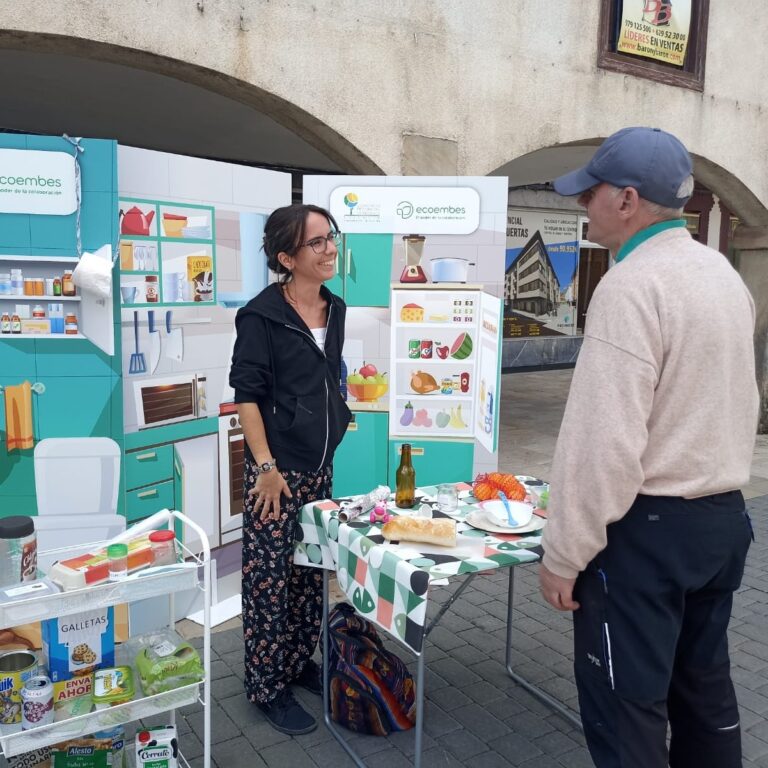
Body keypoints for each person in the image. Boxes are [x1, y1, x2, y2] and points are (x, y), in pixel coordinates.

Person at [539, 127, 758, 768]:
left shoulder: (631, 286)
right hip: (721, 519)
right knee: (704, 694)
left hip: (649, 534)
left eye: (592, 192)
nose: (585, 205)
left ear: (628, 200)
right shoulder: (721, 275)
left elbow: (602, 442)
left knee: (627, 708)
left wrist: (564, 553)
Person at [229, 203, 351, 735]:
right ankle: (266, 688)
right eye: (317, 242)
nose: (330, 249)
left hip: (318, 468)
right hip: (274, 476)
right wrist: (266, 468)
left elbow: (325, 375)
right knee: (268, 584)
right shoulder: (262, 316)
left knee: (308, 576)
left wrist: (337, 414)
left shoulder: (336, 308)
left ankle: (298, 662)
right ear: (286, 257)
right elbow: (247, 398)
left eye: (331, 238)